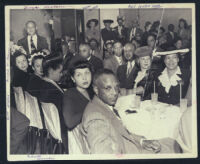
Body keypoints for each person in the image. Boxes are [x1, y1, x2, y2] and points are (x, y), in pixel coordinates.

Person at [81, 69, 182, 154]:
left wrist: (142, 141)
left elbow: (122, 133)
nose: (115, 92)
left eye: (117, 87)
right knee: (175, 148)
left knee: (172, 142)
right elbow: (103, 155)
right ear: (96, 89)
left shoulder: (103, 105)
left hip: (133, 147)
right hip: (131, 154)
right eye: (108, 88)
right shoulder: (96, 118)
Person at [39, 55, 68, 153]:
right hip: (62, 128)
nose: (61, 74)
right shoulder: (52, 90)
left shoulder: (44, 84)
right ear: (51, 71)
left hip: (52, 127)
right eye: (60, 72)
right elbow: (65, 114)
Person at [62, 61, 93, 153]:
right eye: (79, 75)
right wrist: (92, 107)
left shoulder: (91, 91)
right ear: (73, 78)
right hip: (84, 140)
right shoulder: (69, 94)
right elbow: (69, 122)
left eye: (87, 73)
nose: (84, 78)